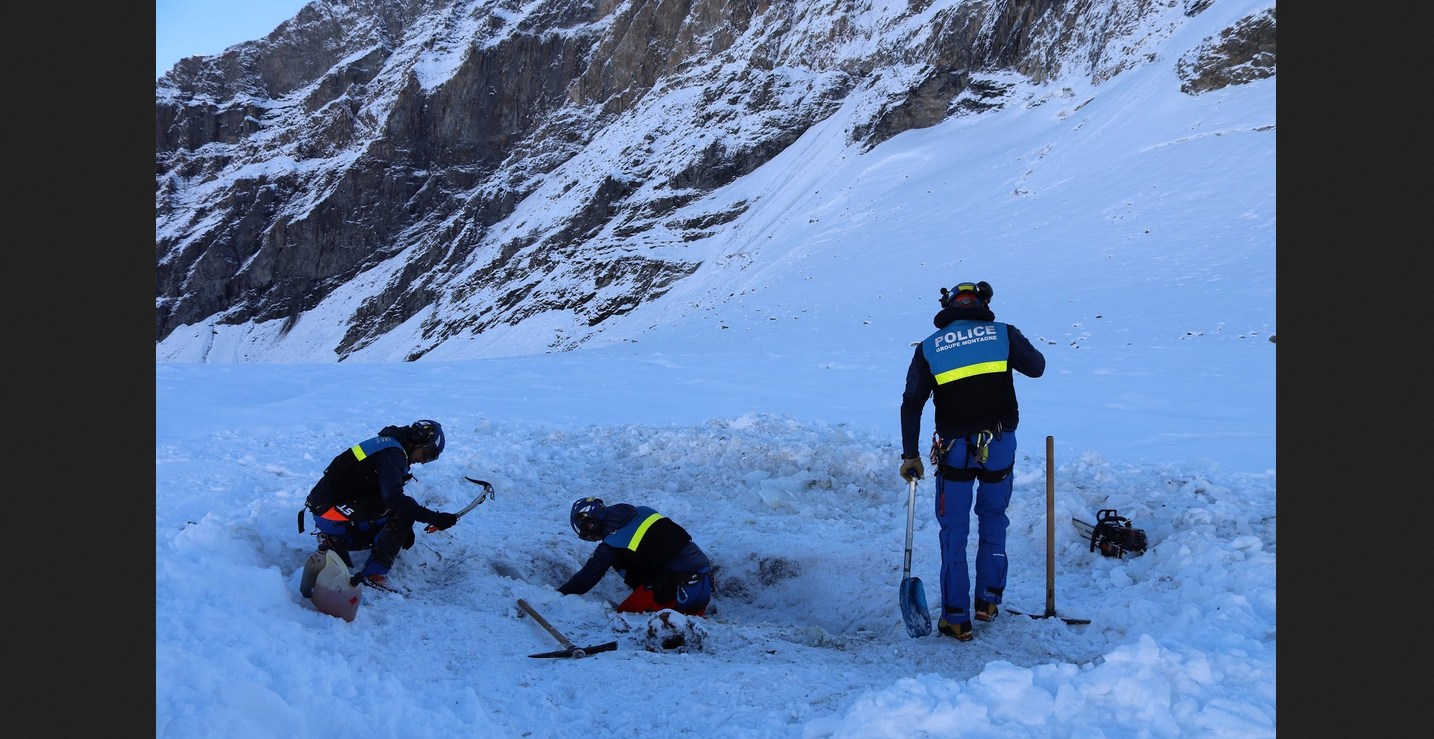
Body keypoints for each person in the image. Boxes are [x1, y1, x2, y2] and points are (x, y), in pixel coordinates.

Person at [898, 280, 1045, 641]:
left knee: (954, 530)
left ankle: (956, 619)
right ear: (982, 303)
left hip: (956, 450)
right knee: (993, 518)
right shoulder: (1003, 333)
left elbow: (912, 404)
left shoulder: (930, 347)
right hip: (999, 444)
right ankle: (988, 602)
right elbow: (1036, 367)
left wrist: (911, 455)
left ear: (948, 307)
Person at [300, 419, 459, 592]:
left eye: (430, 458)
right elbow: (394, 500)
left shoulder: (388, 444)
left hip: (324, 509)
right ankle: (374, 573)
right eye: (427, 453)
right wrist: (435, 518)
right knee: (402, 513)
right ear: (418, 439)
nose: (423, 460)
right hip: (331, 514)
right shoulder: (393, 454)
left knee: (397, 521)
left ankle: (338, 539)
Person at [557, 497, 714, 616]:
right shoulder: (644, 511)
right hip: (704, 587)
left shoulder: (611, 545)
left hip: (681, 591)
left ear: (591, 525)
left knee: (625, 618)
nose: (594, 539)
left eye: (589, 535)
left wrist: (558, 595)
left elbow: (588, 576)